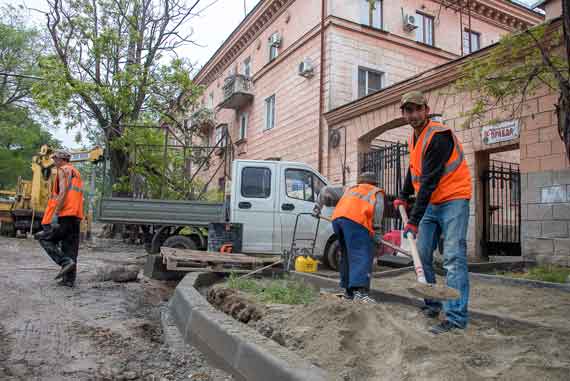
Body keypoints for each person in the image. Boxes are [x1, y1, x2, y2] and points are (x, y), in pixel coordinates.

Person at [394, 91, 472, 334]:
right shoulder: (414, 137)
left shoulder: (439, 135)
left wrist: (413, 220)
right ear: (404, 114)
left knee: (452, 257)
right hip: (431, 202)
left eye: (418, 109)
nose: (413, 114)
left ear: (426, 110)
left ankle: (456, 318)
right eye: (409, 110)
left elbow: (429, 180)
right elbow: (414, 169)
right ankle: (432, 304)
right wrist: (404, 195)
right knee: (423, 252)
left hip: (453, 199)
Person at [315, 172, 384, 303]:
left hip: (338, 220)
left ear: (360, 181)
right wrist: (377, 232)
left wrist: (317, 207)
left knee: (346, 255)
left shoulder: (351, 189)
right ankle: (361, 292)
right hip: (356, 222)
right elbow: (378, 210)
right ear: (374, 183)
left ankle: (349, 291)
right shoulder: (376, 192)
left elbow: (325, 190)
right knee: (362, 254)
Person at [36, 150, 84, 287]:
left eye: (55, 159)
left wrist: (56, 212)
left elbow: (63, 192)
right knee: (71, 248)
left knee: (43, 237)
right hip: (75, 216)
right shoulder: (77, 173)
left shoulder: (63, 170)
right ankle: (69, 280)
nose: (54, 162)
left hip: (65, 214)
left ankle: (64, 262)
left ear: (61, 159)